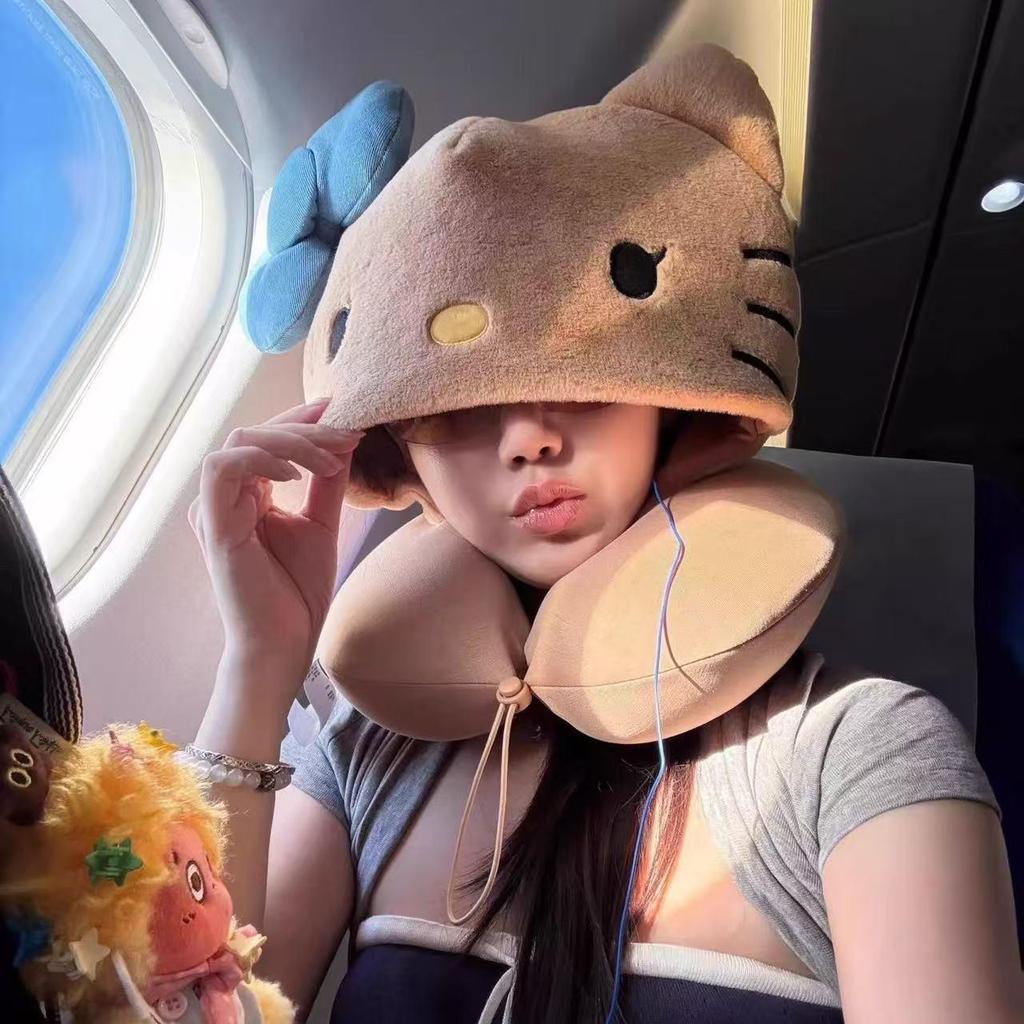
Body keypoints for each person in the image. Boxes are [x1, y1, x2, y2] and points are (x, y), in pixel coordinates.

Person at [188, 48, 1022, 1024]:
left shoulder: (854, 746)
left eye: (580, 371)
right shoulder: (366, 754)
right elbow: (189, 1007)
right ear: (401, 448)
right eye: (456, 405)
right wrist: (259, 663)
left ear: (662, 396)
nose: (529, 438)